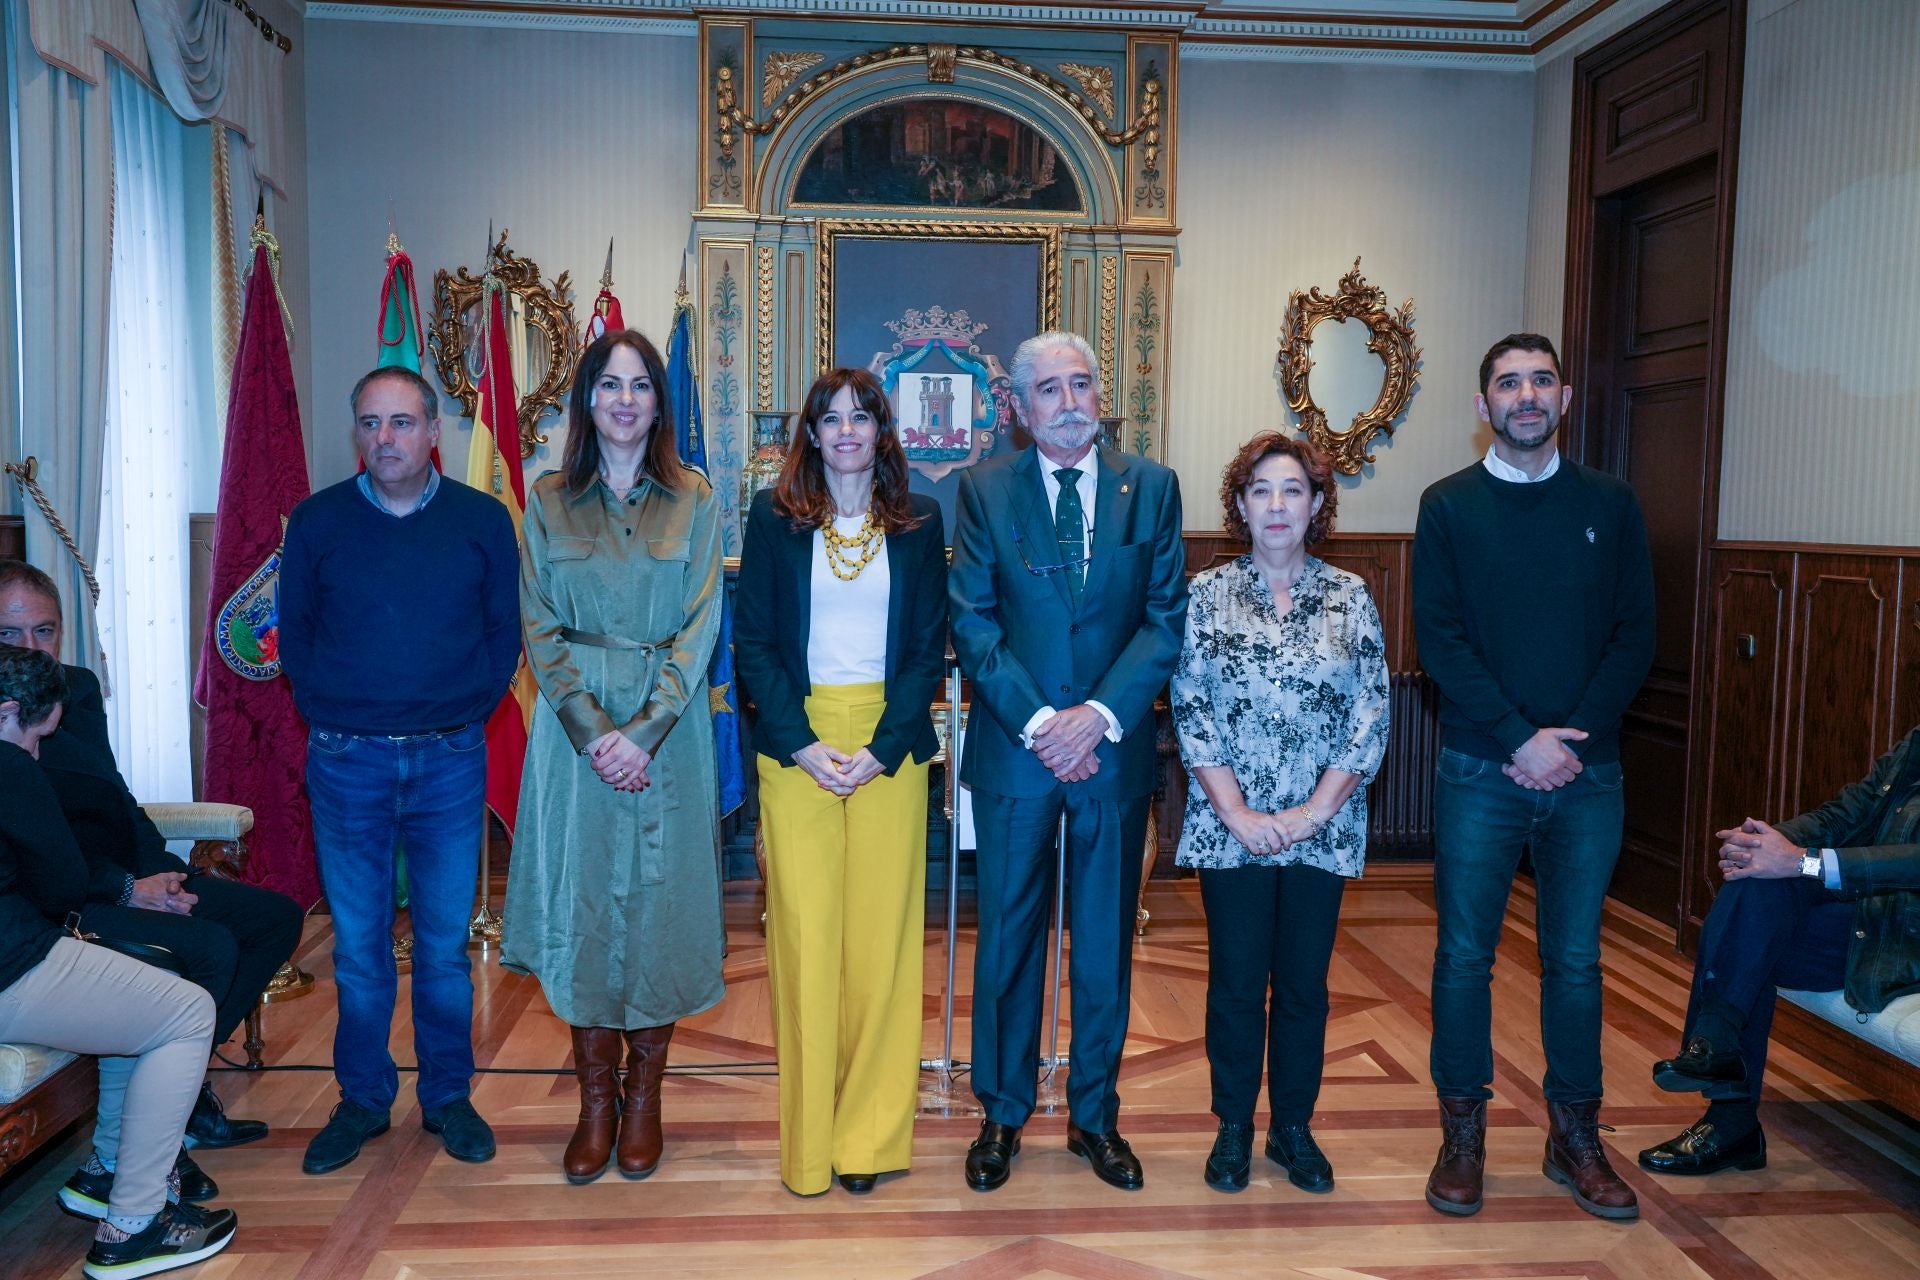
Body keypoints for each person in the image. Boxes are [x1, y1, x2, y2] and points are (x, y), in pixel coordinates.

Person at [1412, 333, 1655, 1221]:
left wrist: (1571, 742)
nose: (1525, 395)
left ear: (1563, 398)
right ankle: (1463, 1134)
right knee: (1464, 956)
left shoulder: (1613, 505)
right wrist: (1520, 738)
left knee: (1578, 960)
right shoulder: (1447, 507)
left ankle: (1574, 1137)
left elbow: (1636, 635)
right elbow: (1437, 638)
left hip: (1588, 775)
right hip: (1481, 766)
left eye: (1540, 380)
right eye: (1508, 383)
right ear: (1483, 407)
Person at [948, 330, 1188, 1192]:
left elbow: (1165, 622)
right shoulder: (982, 491)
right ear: (1018, 407)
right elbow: (973, 623)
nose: (1069, 401)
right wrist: (1048, 722)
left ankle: (1096, 1116)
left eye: (1082, 382)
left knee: (1104, 948)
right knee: (1008, 942)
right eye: (1048, 389)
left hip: (1113, 757)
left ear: (1101, 392)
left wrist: (1096, 719)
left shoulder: (1150, 489)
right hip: (1018, 756)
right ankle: (1002, 1115)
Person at [278, 366, 521, 1174]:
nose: (387, 439)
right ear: (358, 434)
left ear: (433, 431)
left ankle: (447, 1097)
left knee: (446, 948)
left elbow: (502, 632)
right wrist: (335, 710)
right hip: (347, 763)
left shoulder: (482, 521)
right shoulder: (315, 523)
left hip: (451, 759)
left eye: (403, 423)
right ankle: (363, 1100)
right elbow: (297, 635)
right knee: (358, 948)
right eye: (372, 424)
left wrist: (462, 710)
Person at [501, 329, 726, 1184]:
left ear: (660, 404)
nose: (625, 400)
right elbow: (540, 628)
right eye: (609, 386)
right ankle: (597, 1100)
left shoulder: (696, 499)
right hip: (576, 746)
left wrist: (648, 729)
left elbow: (702, 623)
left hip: (668, 743)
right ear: (586, 401)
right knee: (586, 905)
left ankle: (647, 1099)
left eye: (640, 386)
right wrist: (599, 735)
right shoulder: (550, 500)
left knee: (663, 912)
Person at [0, 558, 303, 1192]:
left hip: (122, 876)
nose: (32, 649)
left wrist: (165, 873)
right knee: (211, 948)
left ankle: (178, 1094)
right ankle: (158, 1132)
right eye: (10, 634)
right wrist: (127, 889)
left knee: (273, 918)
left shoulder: (75, 690)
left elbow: (115, 795)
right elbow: (39, 863)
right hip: (62, 904)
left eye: (45, 632)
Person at [734, 368, 948, 1196]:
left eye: (863, 416)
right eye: (832, 418)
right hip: (800, 749)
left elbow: (928, 650)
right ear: (812, 435)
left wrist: (885, 748)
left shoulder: (922, 521)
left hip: (889, 751)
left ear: (882, 431)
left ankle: (869, 1141)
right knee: (807, 944)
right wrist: (801, 743)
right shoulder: (773, 518)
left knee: (882, 953)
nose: (848, 430)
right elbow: (753, 643)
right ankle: (811, 1147)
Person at [1170, 433, 1389, 1194]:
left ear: (1317, 505)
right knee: (1235, 983)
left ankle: (1293, 1129)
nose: (1276, 504)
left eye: (1292, 490)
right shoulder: (1205, 594)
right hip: (1230, 831)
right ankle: (1233, 1127)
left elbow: (1371, 712)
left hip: (1319, 836)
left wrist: (1310, 815)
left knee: (1302, 986)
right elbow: (1191, 709)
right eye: (1261, 490)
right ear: (1238, 504)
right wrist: (1237, 813)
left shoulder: (1350, 596)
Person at [0, 644, 239, 1279]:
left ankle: (107, 1169)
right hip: (10, 970)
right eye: (36, 736)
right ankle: (133, 1227)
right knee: (186, 1011)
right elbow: (60, 884)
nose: (37, 752)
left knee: (145, 984)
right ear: (5, 714)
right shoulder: (7, 764)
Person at [1638, 726, 1920, 1176]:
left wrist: (1799, 859)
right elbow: (1844, 814)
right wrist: (1765, 846)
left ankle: (1726, 1100)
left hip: (1906, 938)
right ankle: (1716, 1052)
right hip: (1876, 915)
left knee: (1750, 936)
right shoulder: (1916, 742)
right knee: (1755, 895)